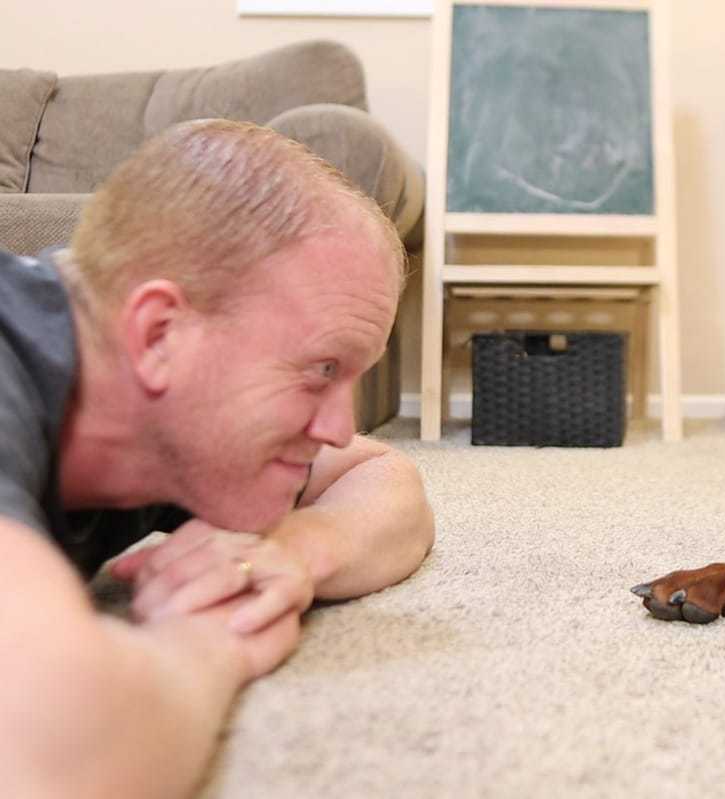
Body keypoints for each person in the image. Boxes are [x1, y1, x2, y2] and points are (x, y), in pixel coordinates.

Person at [0, 119, 435, 797]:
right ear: (159, 333)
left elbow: (385, 477)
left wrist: (293, 551)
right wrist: (211, 639)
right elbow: (51, 747)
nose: (338, 424)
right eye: (321, 368)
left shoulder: (157, 412)